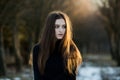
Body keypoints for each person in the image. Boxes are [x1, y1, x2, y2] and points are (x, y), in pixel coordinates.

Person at [32, 11, 82, 80]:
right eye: (57, 26)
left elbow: (72, 78)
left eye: (64, 27)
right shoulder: (38, 50)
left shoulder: (71, 49)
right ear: (50, 28)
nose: (61, 30)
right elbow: (37, 77)